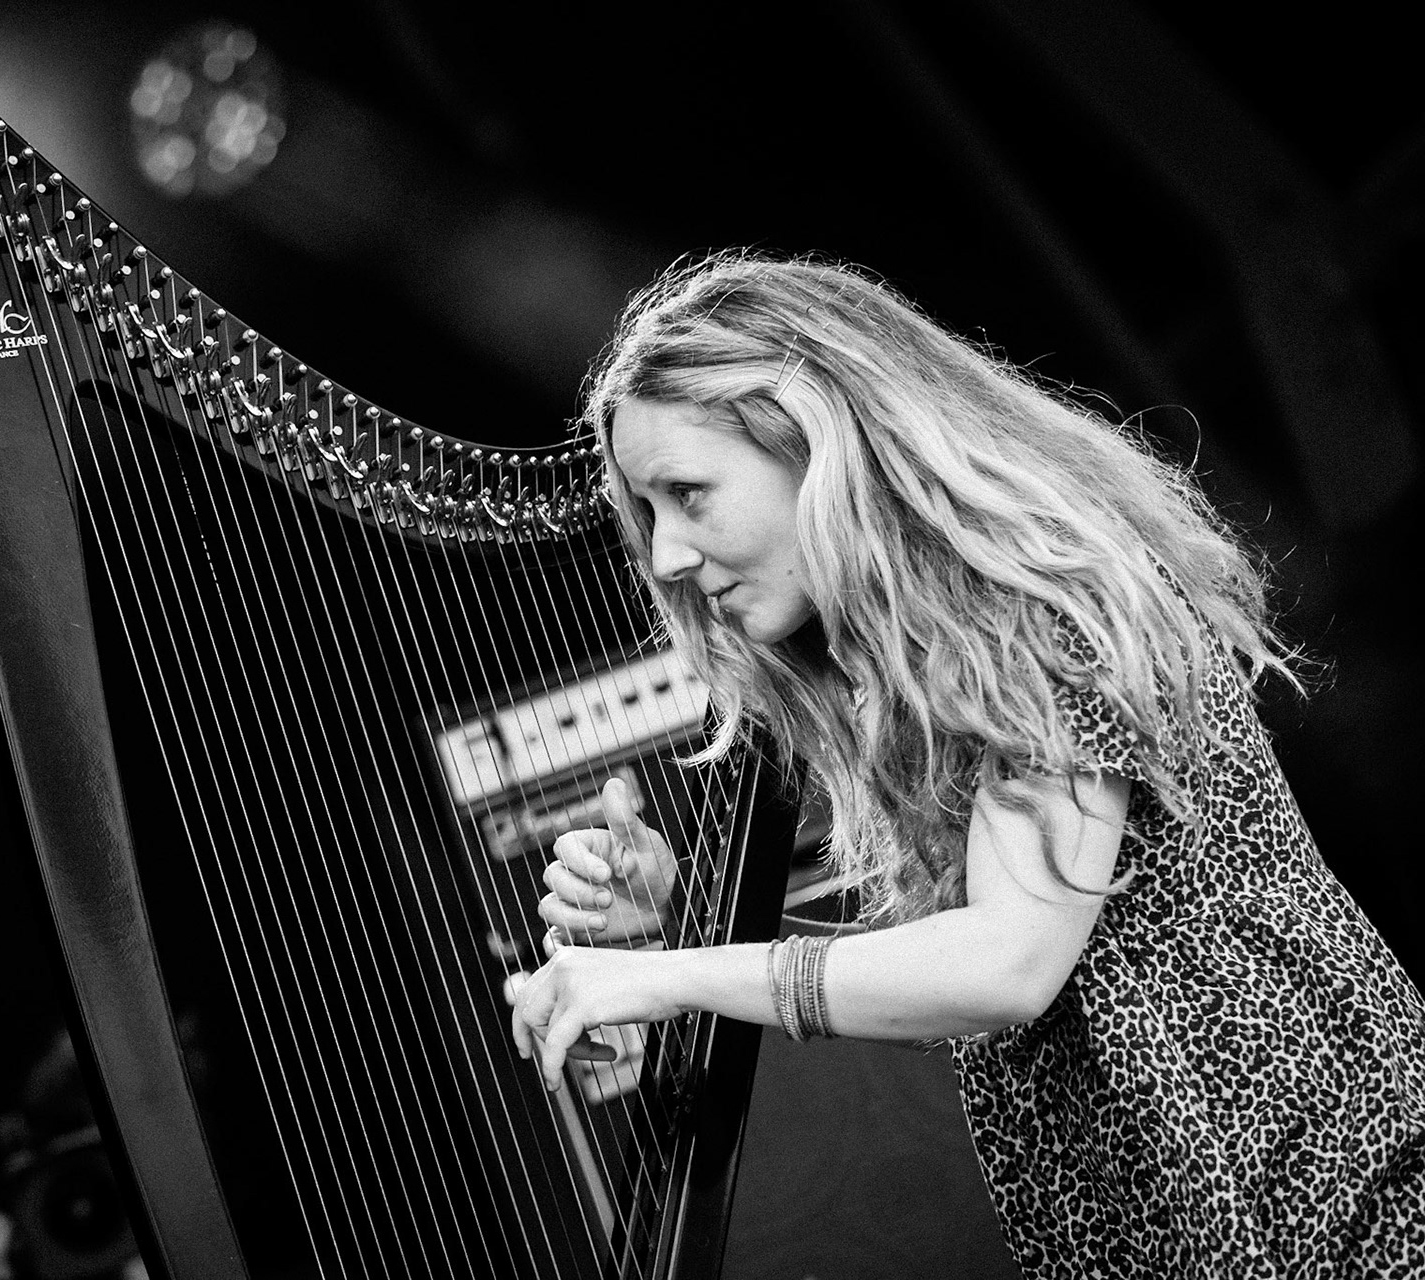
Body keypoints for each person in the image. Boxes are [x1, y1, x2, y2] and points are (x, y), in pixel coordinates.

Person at [505, 252, 1423, 1277]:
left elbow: (1005, 963)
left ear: (818, 442)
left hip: (1329, 1199)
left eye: (688, 493)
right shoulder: (924, 658)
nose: (667, 553)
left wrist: (665, 977)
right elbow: (955, 962)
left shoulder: (1037, 600)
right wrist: (677, 930)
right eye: (650, 512)